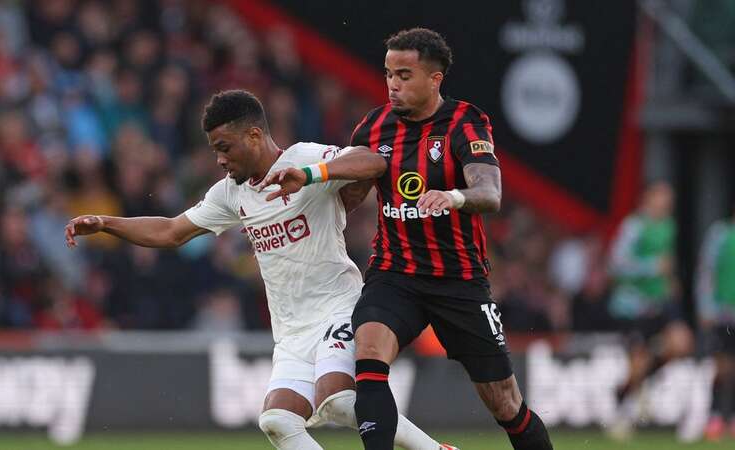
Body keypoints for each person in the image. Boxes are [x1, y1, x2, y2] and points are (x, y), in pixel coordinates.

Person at [65, 90, 455, 450]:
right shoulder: (231, 192)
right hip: (291, 330)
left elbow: (372, 161)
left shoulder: (303, 158)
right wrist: (107, 223)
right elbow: (171, 230)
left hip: (339, 306)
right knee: (278, 420)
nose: (219, 159)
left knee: (338, 400)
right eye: (215, 150)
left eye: (224, 148)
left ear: (253, 135)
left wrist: (314, 175)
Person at [262, 28, 552, 450]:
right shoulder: (373, 127)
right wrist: (308, 190)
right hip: (395, 274)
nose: (393, 85)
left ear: (435, 80)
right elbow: (352, 190)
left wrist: (453, 196)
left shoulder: (465, 122)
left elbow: (490, 194)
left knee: (505, 403)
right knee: (369, 355)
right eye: (388, 75)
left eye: (404, 75)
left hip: (459, 280)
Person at [607, 181, 693, 439]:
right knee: (638, 362)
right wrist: (652, 267)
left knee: (682, 344)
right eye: (662, 197)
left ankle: (640, 382)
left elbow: (666, 261)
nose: (667, 203)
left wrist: (670, 281)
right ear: (648, 198)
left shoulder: (668, 226)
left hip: (661, 302)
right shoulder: (634, 226)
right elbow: (616, 265)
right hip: (633, 305)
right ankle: (623, 399)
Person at [696, 204, 735, 441]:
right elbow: (706, 271)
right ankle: (714, 416)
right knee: (721, 367)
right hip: (723, 312)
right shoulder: (720, 234)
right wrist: (705, 306)